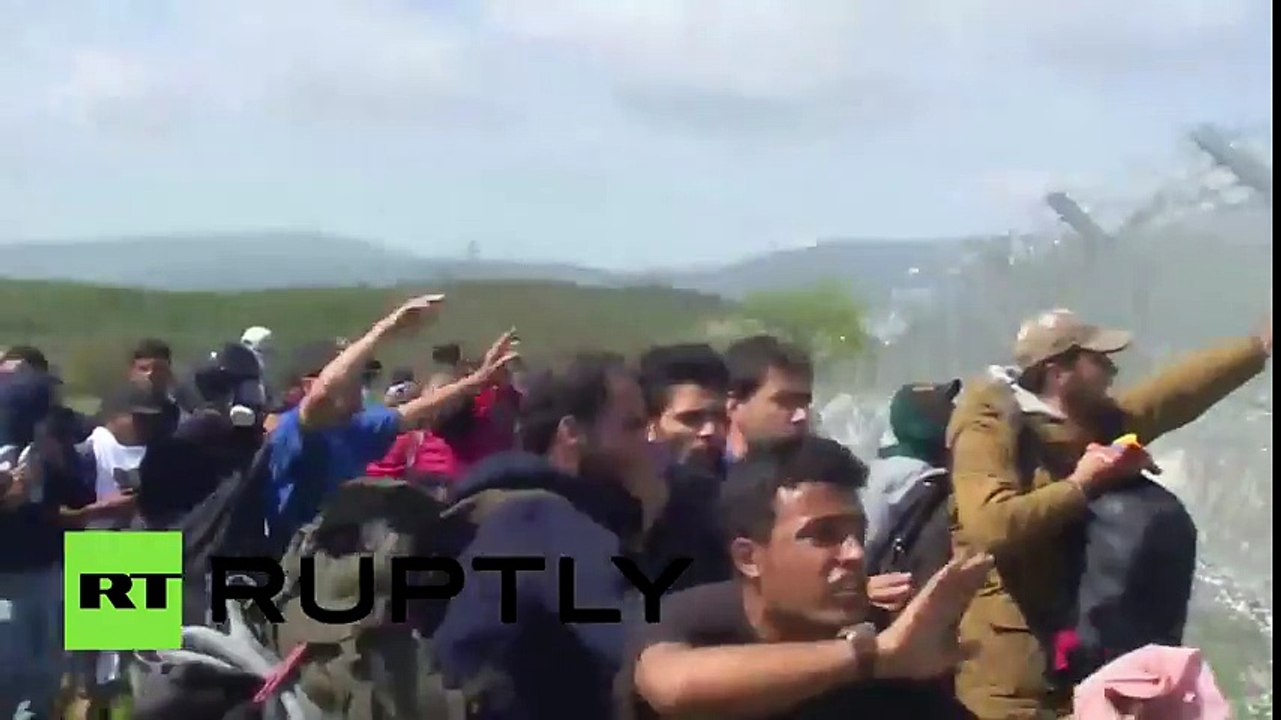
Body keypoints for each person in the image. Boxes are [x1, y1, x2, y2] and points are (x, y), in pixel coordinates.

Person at [947, 308, 1273, 719]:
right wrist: (1083, 483)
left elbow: (1169, 397)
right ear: (1058, 371)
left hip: (1079, 660)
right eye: (1099, 361)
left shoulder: (1084, 420)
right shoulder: (988, 425)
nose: (1113, 370)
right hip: (1011, 679)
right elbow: (988, 527)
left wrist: (1258, 348)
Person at [622, 435, 988, 719]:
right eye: (822, 535)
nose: (854, 554)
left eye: (857, 534)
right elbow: (672, 686)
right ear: (748, 558)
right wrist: (873, 657)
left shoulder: (884, 643)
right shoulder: (688, 617)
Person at [432, 352, 660, 720]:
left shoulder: (503, 504)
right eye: (632, 427)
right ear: (572, 433)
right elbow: (639, 647)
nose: (650, 443)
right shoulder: (543, 521)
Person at [264, 295, 516, 548]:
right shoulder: (296, 431)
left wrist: (476, 381)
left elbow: (417, 409)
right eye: (354, 376)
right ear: (308, 385)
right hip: (292, 564)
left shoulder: (356, 427)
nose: (362, 384)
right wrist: (385, 328)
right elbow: (324, 393)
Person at [724, 335, 814, 463]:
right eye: (785, 402)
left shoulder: (819, 472)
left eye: (805, 402)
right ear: (733, 405)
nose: (801, 416)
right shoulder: (704, 476)